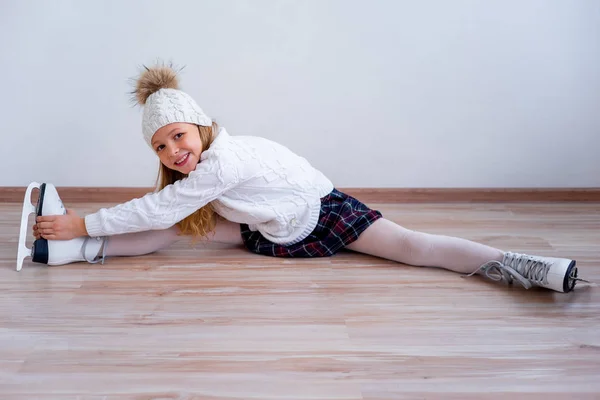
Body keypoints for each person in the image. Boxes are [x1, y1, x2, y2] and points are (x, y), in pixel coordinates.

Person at [32, 63, 588, 293]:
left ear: (200, 127)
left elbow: (157, 211)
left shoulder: (224, 161)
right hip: (274, 225)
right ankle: (71, 252)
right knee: (181, 228)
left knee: (413, 246)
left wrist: (84, 215)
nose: (173, 150)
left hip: (322, 212)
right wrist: (82, 229)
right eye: (160, 145)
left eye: (178, 135)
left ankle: (526, 267)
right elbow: (168, 213)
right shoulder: (210, 163)